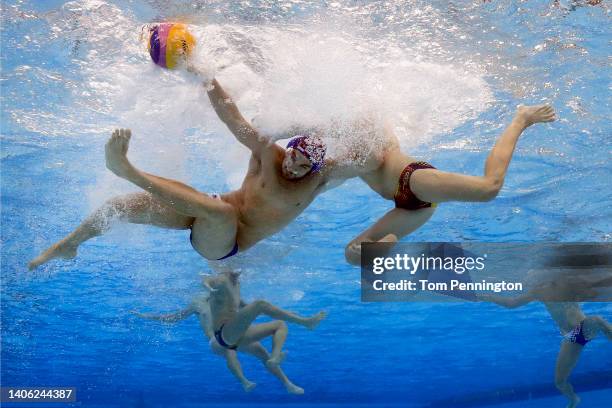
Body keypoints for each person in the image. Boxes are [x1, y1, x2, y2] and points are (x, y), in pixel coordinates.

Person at [28, 69, 370, 269]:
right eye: (295, 158)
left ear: (316, 168)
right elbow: (231, 116)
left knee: (220, 212)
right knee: (122, 206)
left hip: (225, 242)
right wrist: (205, 76)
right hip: (209, 210)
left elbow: (365, 159)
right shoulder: (269, 153)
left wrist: (360, 128)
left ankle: (127, 169)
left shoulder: (319, 179)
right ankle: (69, 244)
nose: (295, 168)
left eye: (305, 166)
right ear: (290, 148)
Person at [344, 104, 557, 265]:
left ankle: (521, 118)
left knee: (489, 187)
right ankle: (387, 245)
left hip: (412, 179)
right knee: (352, 254)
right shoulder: (332, 150)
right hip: (409, 208)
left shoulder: (363, 120)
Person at [134, 270, 326, 394]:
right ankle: (244, 381)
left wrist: (286, 313)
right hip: (218, 340)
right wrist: (147, 317)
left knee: (270, 341)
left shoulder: (230, 295)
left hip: (235, 334)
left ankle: (287, 382)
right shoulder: (198, 302)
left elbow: (249, 311)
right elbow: (174, 316)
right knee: (231, 350)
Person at [480, 272, 612, 408]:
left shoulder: (569, 282)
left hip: (585, 327)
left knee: (597, 320)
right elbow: (512, 303)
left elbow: (596, 283)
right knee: (559, 382)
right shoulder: (538, 291)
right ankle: (573, 400)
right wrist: (489, 297)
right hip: (572, 337)